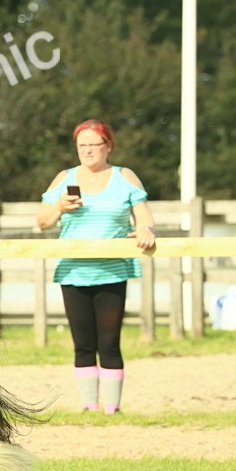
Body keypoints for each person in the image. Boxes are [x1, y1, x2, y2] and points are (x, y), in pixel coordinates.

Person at [36, 119, 157, 415]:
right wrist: (59, 208)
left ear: (108, 146)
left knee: (110, 342)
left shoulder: (124, 176)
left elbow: (144, 216)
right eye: (82, 145)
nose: (88, 150)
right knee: (83, 343)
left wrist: (145, 230)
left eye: (94, 144)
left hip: (113, 270)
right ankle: (89, 407)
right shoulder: (64, 177)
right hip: (74, 271)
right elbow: (42, 222)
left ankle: (112, 409)